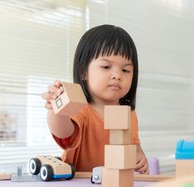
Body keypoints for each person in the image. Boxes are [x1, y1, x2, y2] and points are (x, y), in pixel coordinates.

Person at [41, 24, 149, 174]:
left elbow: (134, 147)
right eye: (106, 67)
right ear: (83, 71)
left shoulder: (129, 113)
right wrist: (56, 110)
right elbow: (64, 134)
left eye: (125, 70)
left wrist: (140, 158)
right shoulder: (81, 108)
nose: (117, 75)